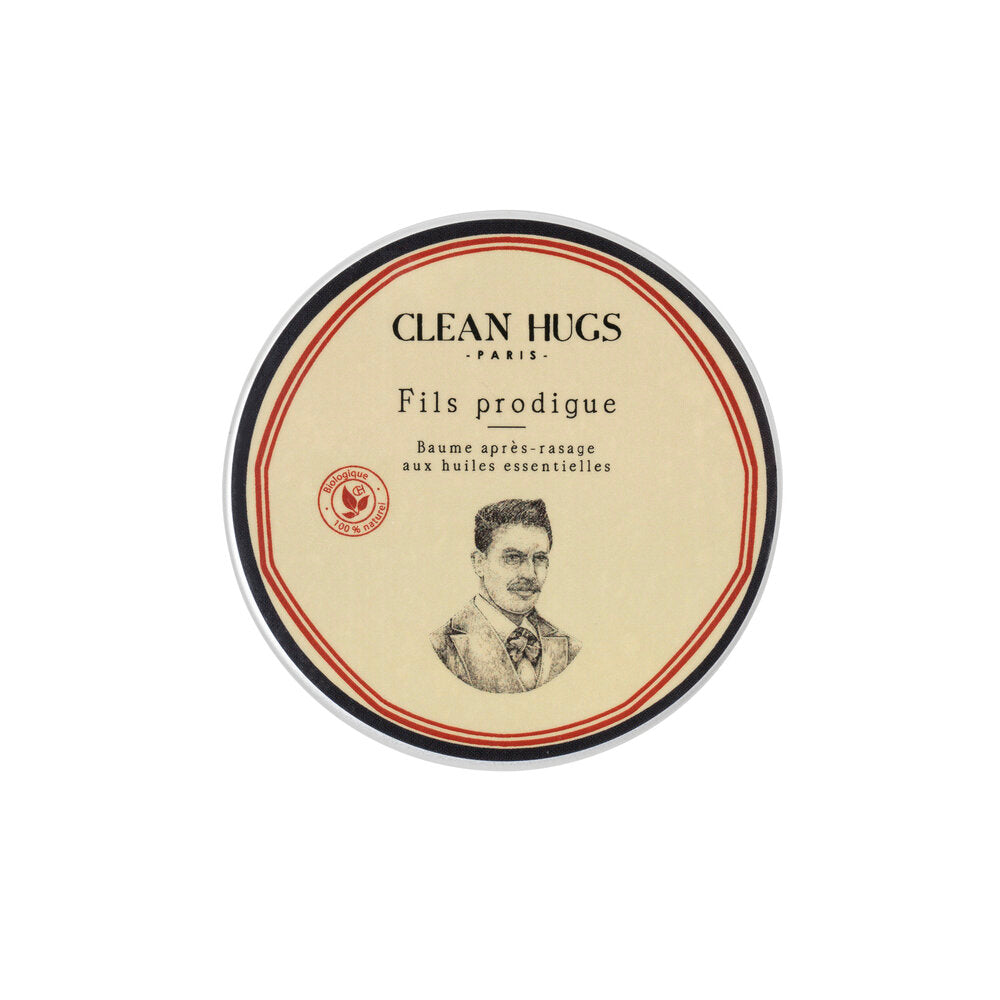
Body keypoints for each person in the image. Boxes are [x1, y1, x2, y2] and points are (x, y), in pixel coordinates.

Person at [430, 499, 581, 693]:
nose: (530, 574)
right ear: (479, 563)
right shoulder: (441, 645)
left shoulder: (570, 646)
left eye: (539, 558)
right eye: (512, 558)